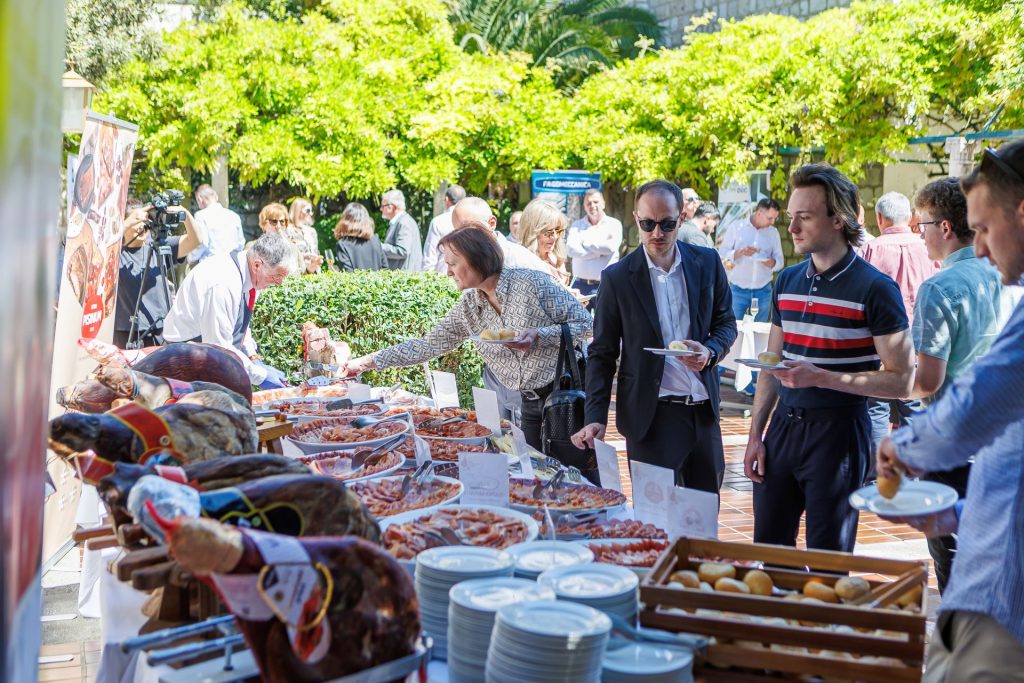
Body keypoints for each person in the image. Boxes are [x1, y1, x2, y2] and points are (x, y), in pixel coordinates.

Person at [875, 141, 1024, 682]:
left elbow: (977, 397)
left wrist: (899, 446)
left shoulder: (949, 287)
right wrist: (964, 514)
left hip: (1002, 611)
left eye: (984, 229)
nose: (979, 248)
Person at [743, 163, 914, 552]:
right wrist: (756, 435)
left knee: (829, 560)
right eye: (791, 216)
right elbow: (771, 363)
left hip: (839, 432)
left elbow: (903, 381)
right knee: (769, 552)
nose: (791, 227)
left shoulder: (876, 288)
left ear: (839, 219)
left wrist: (822, 377)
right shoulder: (786, 281)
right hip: (782, 430)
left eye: (804, 217)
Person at [344, 226, 592, 448]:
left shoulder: (531, 282)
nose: (448, 272)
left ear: (476, 258)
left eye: (452, 263)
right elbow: (427, 345)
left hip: (566, 394)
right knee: (537, 472)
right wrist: (366, 362)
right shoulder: (469, 307)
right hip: (527, 403)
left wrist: (540, 335)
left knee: (576, 474)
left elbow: (587, 324)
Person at [571, 180, 737, 495]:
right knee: (655, 515)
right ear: (636, 219)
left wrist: (710, 351)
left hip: (703, 414)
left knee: (703, 514)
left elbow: (726, 323)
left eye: (667, 224)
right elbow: (602, 353)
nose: (657, 233)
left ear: (682, 218)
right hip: (650, 419)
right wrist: (595, 416)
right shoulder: (617, 278)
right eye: (648, 224)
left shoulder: (707, 263)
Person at [901, 177, 1016, 594]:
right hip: (1005, 441)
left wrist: (875, 381)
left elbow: (927, 382)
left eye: (922, 226)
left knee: (952, 558)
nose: (920, 236)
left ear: (945, 227)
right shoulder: (1009, 274)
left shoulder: (939, 287)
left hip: (954, 443)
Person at [860, 192, 939, 452]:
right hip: (920, 342)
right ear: (910, 217)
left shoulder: (870, 249)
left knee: (876, 409)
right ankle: (909, 466)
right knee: (914, 407)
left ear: (879, 218)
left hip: (878, 343)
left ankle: (877, 470)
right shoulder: (929, 249)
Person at [163, 232, 293, 389]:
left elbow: (241, 323)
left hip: (211, 355)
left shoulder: (252, 276)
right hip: (184, 359)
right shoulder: (223, 283)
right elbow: (218, 346)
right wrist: (260, 376)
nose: (278, 283)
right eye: (276, 276)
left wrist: (253, 356)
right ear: (257, 265)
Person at [114, 198, 202, 348]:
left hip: (161, 330)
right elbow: (98, 247)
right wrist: (127, 223)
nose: (141, 226)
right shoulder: (115, 253)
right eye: (136, 222)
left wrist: (184, 214)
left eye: (145, 221)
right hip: (126, 333)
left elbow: (196, 240)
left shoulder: (157, 247)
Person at [451, 197, 554, 275]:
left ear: (491, 223)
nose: (461, 239)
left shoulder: (519, 261)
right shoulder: (466, 263)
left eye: (467, 230)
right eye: (457, 232)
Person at [565, 189, 623, 300]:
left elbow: (610, 247)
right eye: (588, 203)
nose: (592, 205)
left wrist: (584, 243)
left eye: (596, 202)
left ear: (603, 204)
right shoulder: (577, 225)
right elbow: (571, 250)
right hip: (579, 286)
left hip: (606, 285)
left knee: (606, 313)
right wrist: (598, 253)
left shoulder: (614, 224)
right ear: (584, 206)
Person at [187, 184, 244, 265]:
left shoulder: (200, 216)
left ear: (199, 198)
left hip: (211, 264)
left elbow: (202, 243)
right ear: (216, 197)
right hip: (232, 264)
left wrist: (191, 257)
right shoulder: (234, 216)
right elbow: (240, 244)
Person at [518, 199, 572, 286]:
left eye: (558, 230)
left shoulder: (556, 258)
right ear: (532, 232)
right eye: (548, 232)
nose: (555, 236)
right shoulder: (520, 262)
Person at [253, 202, 313, 274]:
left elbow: (302, 275)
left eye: (282, 222)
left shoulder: (293, 248)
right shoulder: (253, 248)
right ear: (264, 224)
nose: (278, 226)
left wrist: (309, 270)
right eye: (274, 221)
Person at [422, 184, 467, 273]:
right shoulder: (471, 220)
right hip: (467, 276)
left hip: (443, 276)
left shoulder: (438, 221)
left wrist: (427, 276)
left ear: (446, 199)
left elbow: (430, 256)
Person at [333, 202, 388, 272]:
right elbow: (385, 268)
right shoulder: (375, 240)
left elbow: (348, 273)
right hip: (379, 279)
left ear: (345, 220)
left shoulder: (342, 244)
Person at [380, 189, 423, 271]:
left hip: (405, 275)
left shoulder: (404, 222)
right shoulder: (401, 221)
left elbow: (402, 251)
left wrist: (379, 246)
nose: (381, 209)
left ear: (392, 206)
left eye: (383, 206)